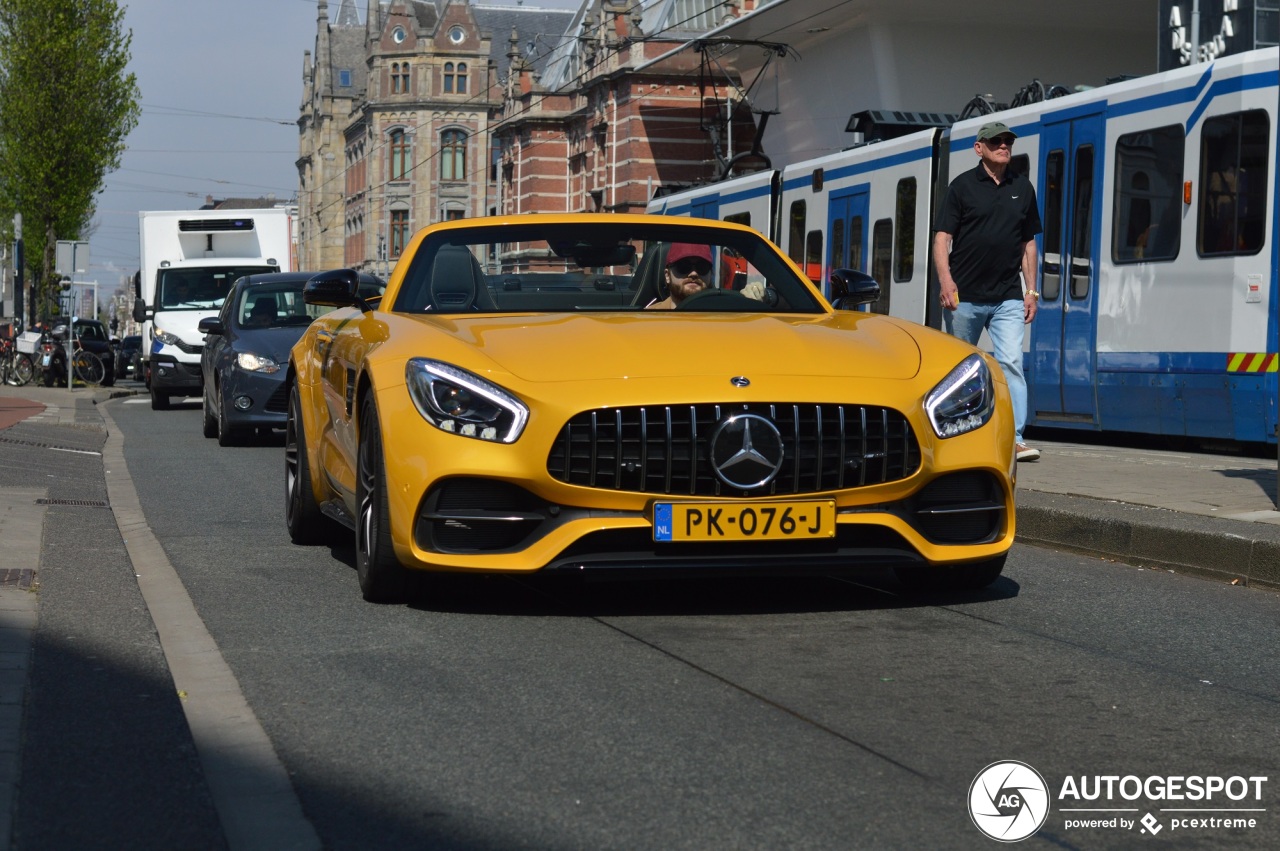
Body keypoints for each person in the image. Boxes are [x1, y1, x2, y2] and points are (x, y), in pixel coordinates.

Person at [933, 121, 1042, 463]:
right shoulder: (962, 187)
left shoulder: (1022, 189)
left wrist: (1032, 291)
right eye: (996, 141)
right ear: (979, 148)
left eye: (1007, 141)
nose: (1003, 146)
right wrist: (946, 281)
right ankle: (959, 435)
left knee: (1011, 363)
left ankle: (1015, 438)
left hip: (1008, 295)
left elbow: (1029, 244)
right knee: (961, 370)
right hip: (964, 297)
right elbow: (942, 239)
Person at [646, 243, 712, 309]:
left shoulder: (721, 313)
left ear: (711, 274)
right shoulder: (648, 317)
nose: (694, 273)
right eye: (683, 266)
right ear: (667, 275)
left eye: (702, 267)